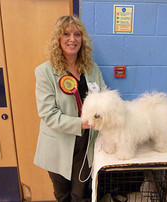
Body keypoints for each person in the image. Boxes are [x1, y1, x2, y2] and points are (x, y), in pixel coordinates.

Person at [34, 15, 106, 202]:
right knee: (63, 194)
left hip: (86, 143)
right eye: (66, 34)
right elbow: (48, 115)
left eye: (77, 34)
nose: (72, 39)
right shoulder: (45, 72)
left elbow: (105, 98)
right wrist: (82, 123)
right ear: (58, 39)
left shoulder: (92, 69)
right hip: (59, 143)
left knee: (81, 194)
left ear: (83, 39)